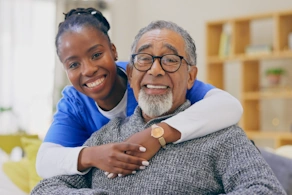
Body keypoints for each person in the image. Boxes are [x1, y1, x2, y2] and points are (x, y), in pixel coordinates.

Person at [31, 20, 285, 195]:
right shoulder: (106, 137)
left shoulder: (223, 136)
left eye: (171, 60)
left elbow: (265, 190)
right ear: (130, 73)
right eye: (144, 59)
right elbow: (45, 188)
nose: (155, 69)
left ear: (190, 77)